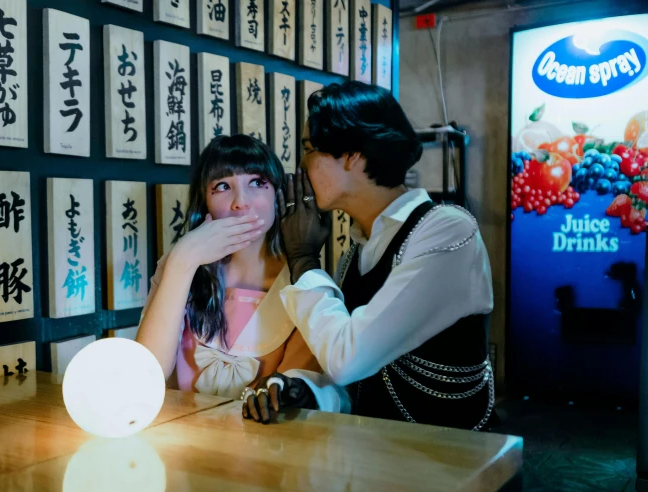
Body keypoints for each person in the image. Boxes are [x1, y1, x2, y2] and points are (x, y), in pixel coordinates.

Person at [242, 81, 497, 431]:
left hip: (453, 462)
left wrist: (303, 258)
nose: (300, 167)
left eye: (308, 149)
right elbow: (360, 381)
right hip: (381, 461)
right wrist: (304, 390)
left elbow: (348, 359)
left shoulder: (448, 231)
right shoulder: (357, 254)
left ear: (352, 154)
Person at [136, 135, 322, 414]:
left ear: (278, 194)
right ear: (204, 201)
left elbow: (291, 398)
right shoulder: (179, 265)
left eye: (257, 183)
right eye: (222, 186)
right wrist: (183, 260)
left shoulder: (301, 279)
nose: (241, 203)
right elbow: (148, 374)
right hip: (179, 438)